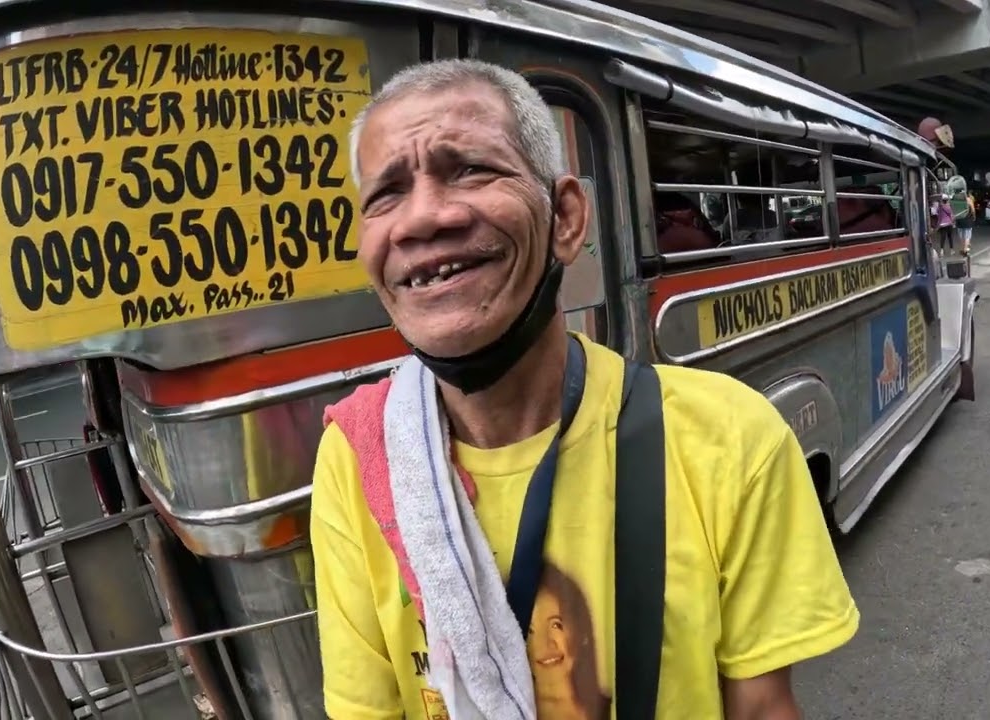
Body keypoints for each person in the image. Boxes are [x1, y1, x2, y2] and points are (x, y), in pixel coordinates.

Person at [311, 59, 857, 720]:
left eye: (471, 170)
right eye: (386, 193)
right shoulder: (357, 459)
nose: (423, 218)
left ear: (567, 219)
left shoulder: (731, 438)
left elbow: (763, 708)